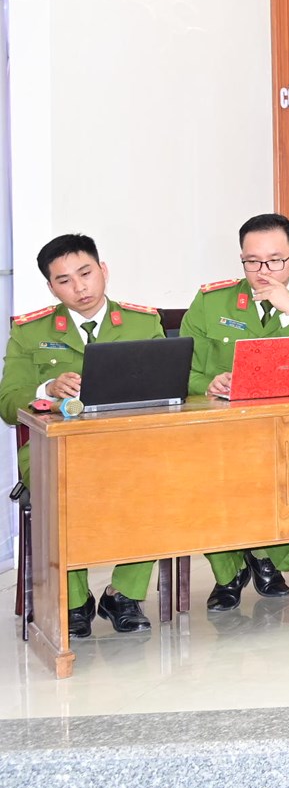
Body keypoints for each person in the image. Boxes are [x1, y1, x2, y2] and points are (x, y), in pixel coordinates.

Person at [0, 235, 164, 638]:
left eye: (86, 273)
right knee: (61, 483)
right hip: (55, 446)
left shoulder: (143, 323)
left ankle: (123, 595)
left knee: (155, 478)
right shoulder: (29, 331)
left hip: (126, 443)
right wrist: (46, 389)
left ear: (103, 270)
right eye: (65, 281)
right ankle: (73, 600)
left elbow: (166, 388)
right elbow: (7, 402)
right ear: (51, 287)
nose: (80, 287)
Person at [182, 213, 289, 611]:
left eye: (274, 260)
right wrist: (208, 383)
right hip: (225, 430)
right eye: (252, 261)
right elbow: (181, 368)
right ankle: (229, 572)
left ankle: (266, 556)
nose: (263, 271)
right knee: (200, 475)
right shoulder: (211, 302)